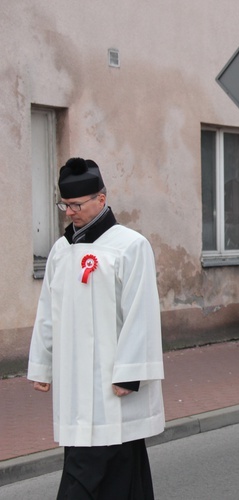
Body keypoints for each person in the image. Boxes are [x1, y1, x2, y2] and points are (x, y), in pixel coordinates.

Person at [28, 157, 165, 499]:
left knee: (93, 468)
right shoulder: (61, 250)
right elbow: (49, 311)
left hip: (111, 385)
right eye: (65, 205)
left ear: (101, 200)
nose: (68, 212)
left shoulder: (130, 246)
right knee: (116, 469)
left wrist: (129, 374)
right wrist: (42, 367)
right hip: (75, 384)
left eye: (75, 205)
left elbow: (141, 312)